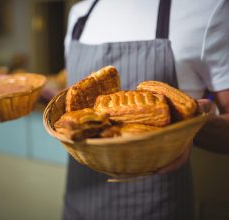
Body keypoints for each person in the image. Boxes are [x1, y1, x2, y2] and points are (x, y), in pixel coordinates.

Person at [62, 0, 229, 219]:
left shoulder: (208, 9)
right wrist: (35, 92)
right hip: (78, 202)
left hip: (156, 206)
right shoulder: (79, 15)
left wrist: (191, 128)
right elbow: (73, 104)